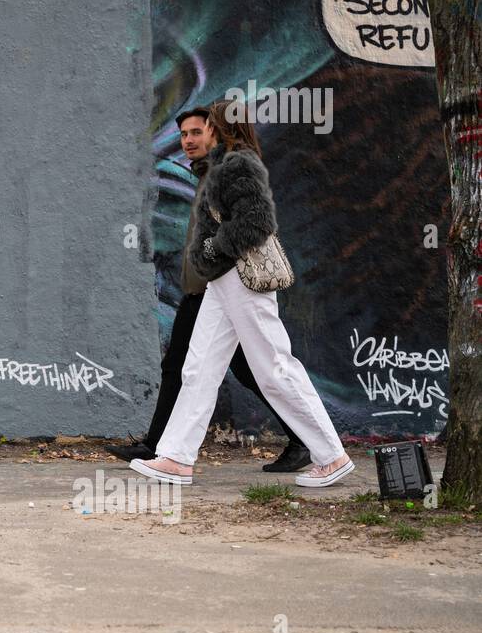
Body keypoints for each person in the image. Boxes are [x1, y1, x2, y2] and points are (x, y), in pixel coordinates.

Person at [128, 99, 354, 488]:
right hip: (221, 282)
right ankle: (177, 458)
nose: (200, 134)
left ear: (218, 128)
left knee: (274, 369)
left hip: (242, 279)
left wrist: (214, 247)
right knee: (197, 369)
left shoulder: (239, 164)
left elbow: (258, 220)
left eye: (207, 126)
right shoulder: (222, 164)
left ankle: (331, 456)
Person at [106, 106, 310, 472]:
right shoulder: (205, 175)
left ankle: (162, 448)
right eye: (183, 134)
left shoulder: (225, 173)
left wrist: (213, 255)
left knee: (222, 369)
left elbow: (251, 225)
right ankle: (162, 447)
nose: (188, 141)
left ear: (214, 133)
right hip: (204, 289)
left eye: (196, 133)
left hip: (219, 289)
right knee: (208, 368)